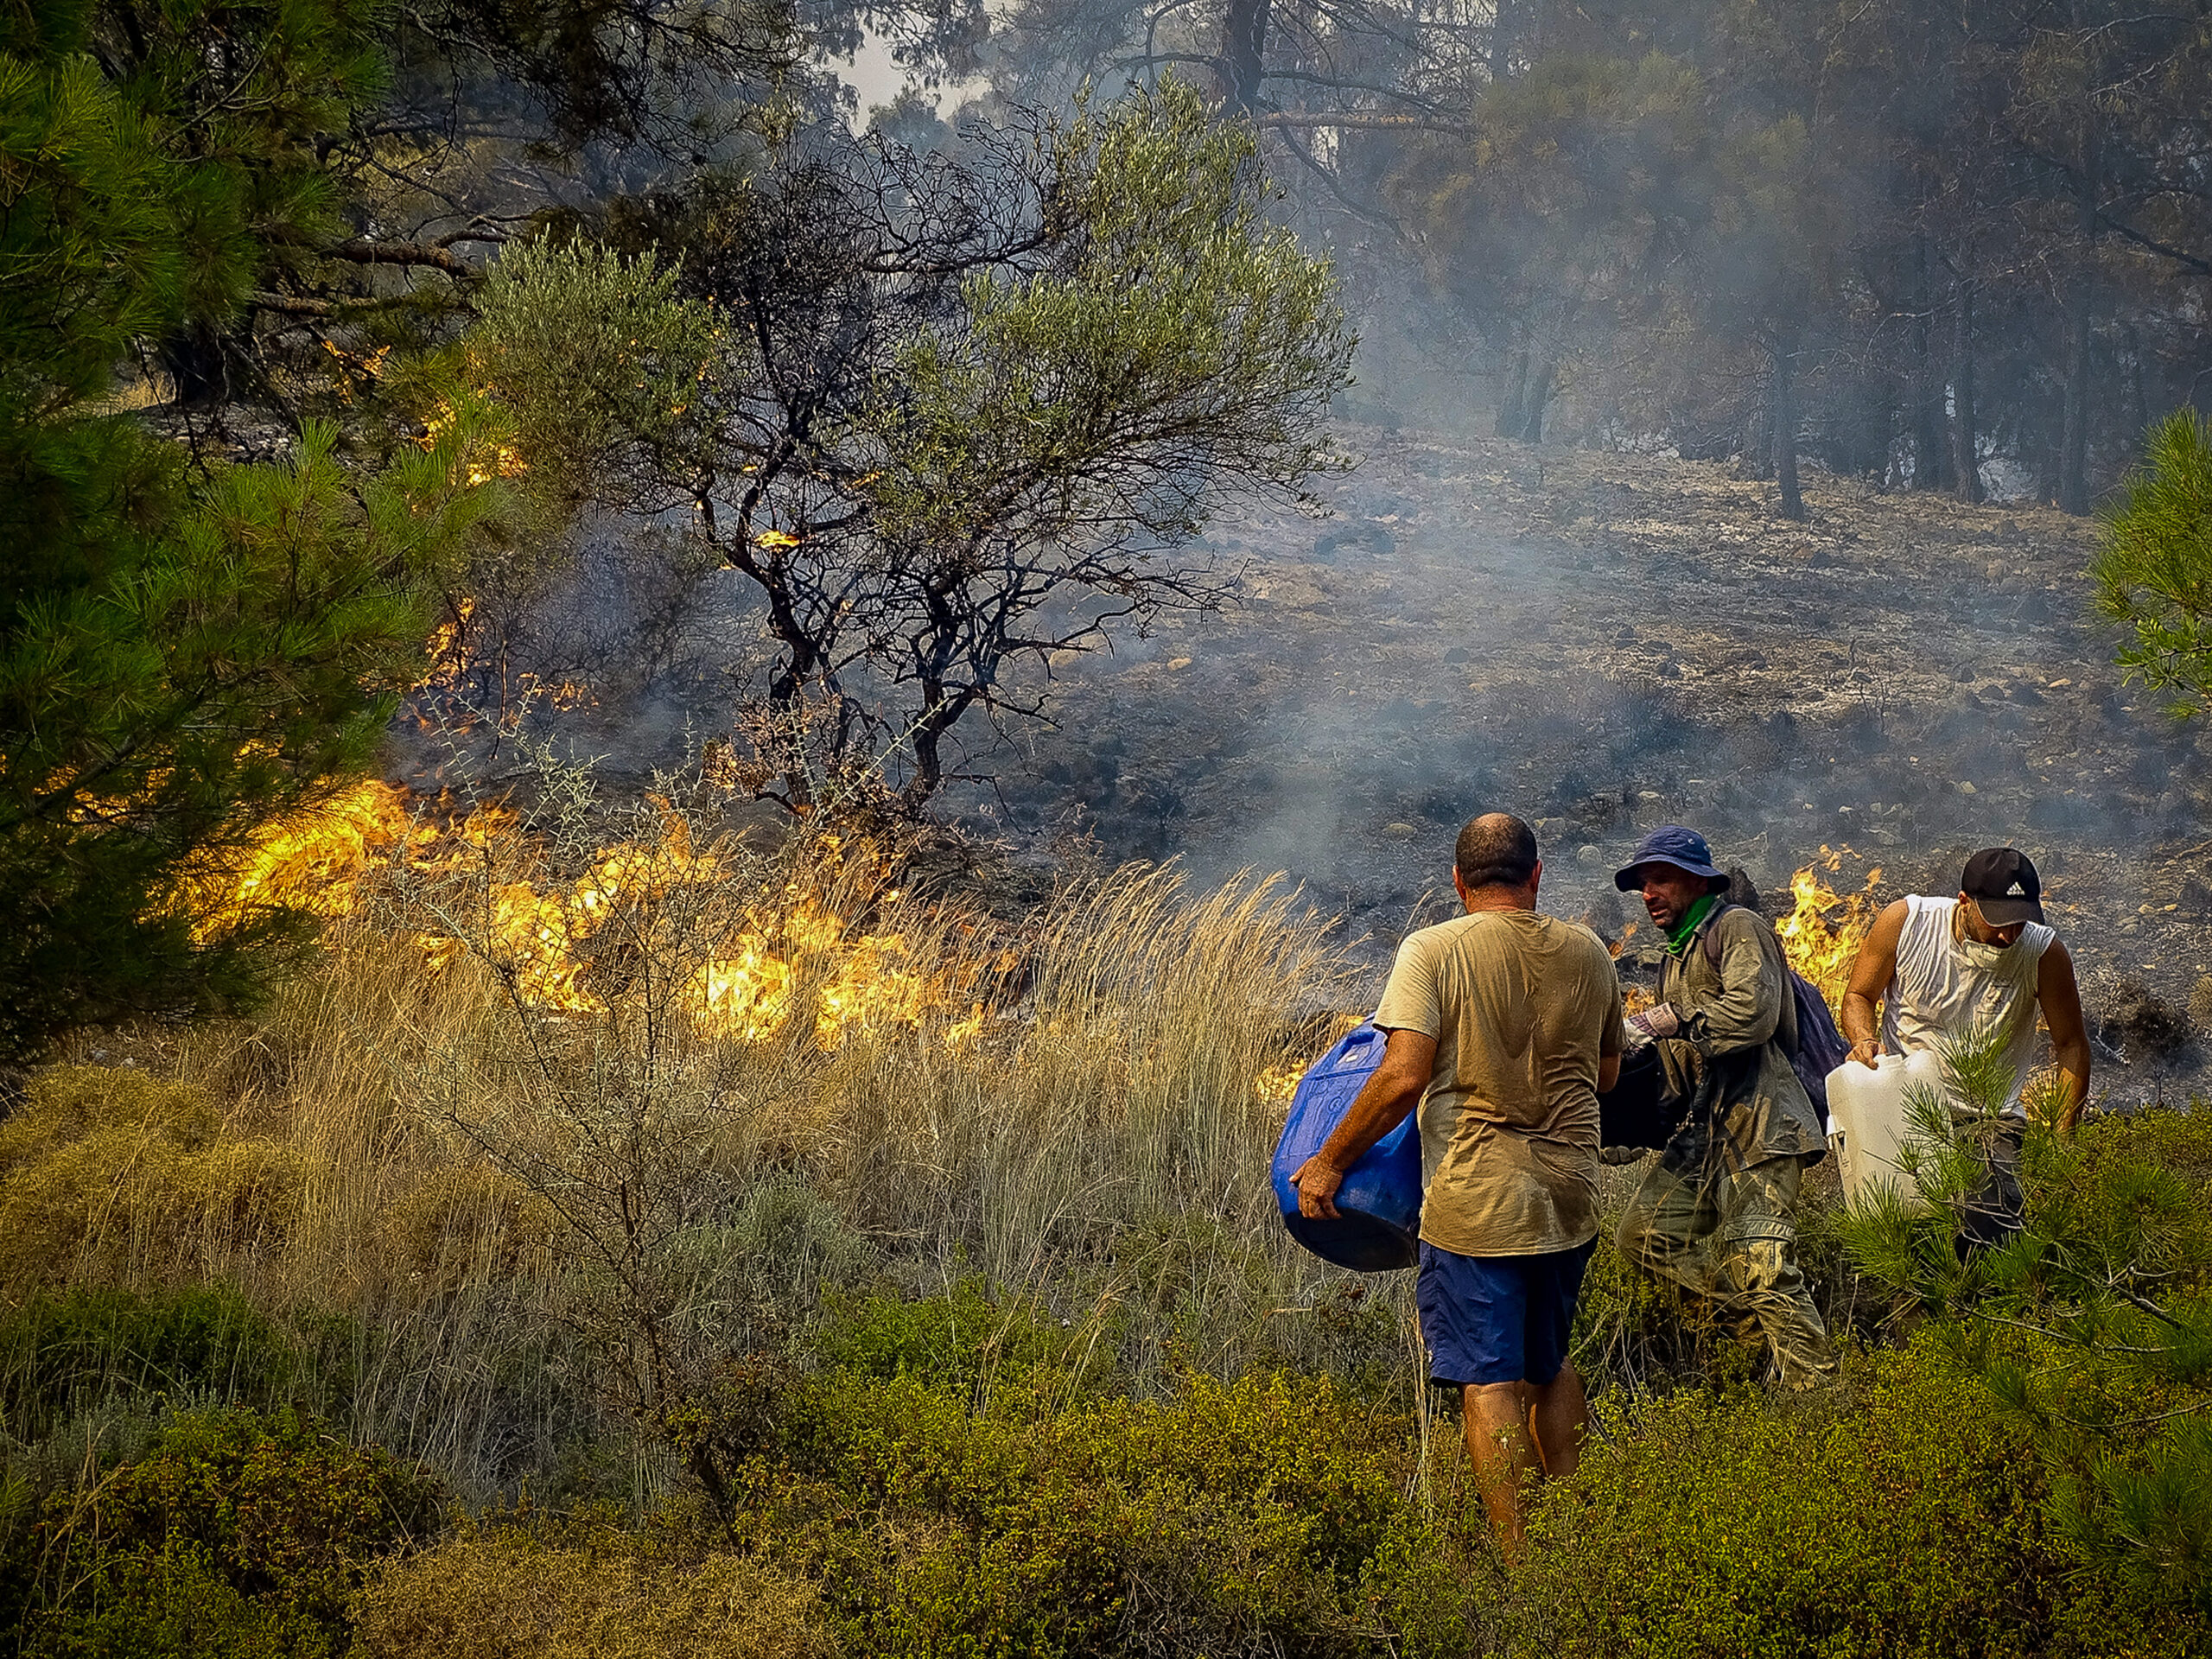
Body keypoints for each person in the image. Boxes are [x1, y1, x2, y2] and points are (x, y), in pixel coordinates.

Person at [1290, 813, 1624, 1559]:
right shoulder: (1590, 954)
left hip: (1479, 1201)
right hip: (1570, 1197)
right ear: (1537, 876)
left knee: (1490, 1380)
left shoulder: (1431, 949)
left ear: (1457, 881)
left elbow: (1403, 1074)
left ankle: (1523, 1573)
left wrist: (1330, 1160)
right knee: (1551, 1363)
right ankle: (1577, 1544)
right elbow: (1606, 1074)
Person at [1611, 825, 1837, 1390]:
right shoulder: (1677, 955)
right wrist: (1627, 1126)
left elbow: (1754, 1011)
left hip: (1763, 1127)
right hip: (1707, 1136)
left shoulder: (1737, 927)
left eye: (1660, 879)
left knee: (1762, 1263)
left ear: (1695, 881)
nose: (1649, 893)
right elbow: (1683, 1070)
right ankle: (1755, 1338)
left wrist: (1669, 1017)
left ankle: (1823, 1398)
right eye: (1643, 884)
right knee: (1643, 1235)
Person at [1839, 847, 2090, 1248]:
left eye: (2020, 922)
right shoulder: (1907, 923)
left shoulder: (2044, 954)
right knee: (1902, 1239)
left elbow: (2072, 1045)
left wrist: (2062, 1144)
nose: (2010, 935)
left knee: (1990, 1234)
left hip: (1990, 1118)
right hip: (1904, 1107)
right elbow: (1859, 996)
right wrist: (1864, 1040)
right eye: (1999, 922)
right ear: (1964, 903)